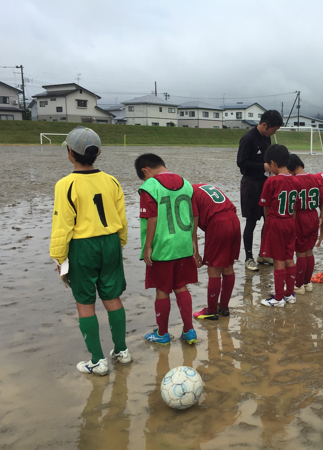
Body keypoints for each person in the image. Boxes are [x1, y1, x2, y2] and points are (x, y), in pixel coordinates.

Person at [50, 126, 130, 375]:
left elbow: (62, 223)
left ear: (70, 153)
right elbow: (122, 217)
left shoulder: (66, 184)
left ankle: (97, 360)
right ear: (99, 153)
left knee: (85, 302)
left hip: (82, 246)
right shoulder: (112, 181)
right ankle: (121, 351)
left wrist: (59, 256)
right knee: (112, 296)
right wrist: (120, 243)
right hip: (110, 243)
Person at [135, 153, 198, 345]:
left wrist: (147, 247)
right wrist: (194, 242)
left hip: (162, 247)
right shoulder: (187, 184)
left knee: (162, 290)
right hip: (183, 245)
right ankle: (189, 331)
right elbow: (195, 215)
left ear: (145, 170)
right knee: (181, 286)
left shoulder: (149, 186)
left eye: (144, 176)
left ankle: (162, 334)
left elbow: (151, 217)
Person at [236, 110, 283, 272]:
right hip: (250, 184)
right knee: (251, 221)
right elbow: (241, 162)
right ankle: (248, 257)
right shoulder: (248, 138)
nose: (274, 133)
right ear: (264, 125)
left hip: (266, 183)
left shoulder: (267, 138)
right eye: (273, 130)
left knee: (267, 219)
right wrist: (262, 166)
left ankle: (263, 254)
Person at [190, 183, 240, 320]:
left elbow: (193, 229)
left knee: (214, 269)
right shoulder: (202, 186)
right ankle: (224, 307)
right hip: (234, 219)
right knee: (228, 267)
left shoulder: (188, 194)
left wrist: (196, 254)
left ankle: (211, 311)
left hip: (218, 223)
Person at [258, 144, 300, 307]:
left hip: (276, 222)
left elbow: (266, 206)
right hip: (290, 221)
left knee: (278, 260)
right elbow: (295, 206)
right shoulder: (295, 181)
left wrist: (269, 222)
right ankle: (289, 294)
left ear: (273, 163)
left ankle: (278, 298)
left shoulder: (271, 181)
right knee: (290, 257)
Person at [287, 154, 323, 294]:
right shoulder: (315, 178)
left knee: (300, 253)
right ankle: (307, 283)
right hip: (313, 215)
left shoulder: (293, 181)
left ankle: (299, 285)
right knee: (309, 251)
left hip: (300, 217)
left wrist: (291, 224)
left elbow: (292, 207)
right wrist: (321, 217)